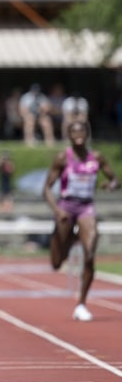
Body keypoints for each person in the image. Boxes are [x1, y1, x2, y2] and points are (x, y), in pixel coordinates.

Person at [42, 120, 119, 322]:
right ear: (69, 136)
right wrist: (57, 210)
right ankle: (64, 239)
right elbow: (47, 188)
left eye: (82, 131)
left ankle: (81, 304)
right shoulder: (62, 158)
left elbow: (114, 179)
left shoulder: (97, 157)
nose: (78, 135)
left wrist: (111, 185)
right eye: (74, 132)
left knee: (90, 253)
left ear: (87, 133)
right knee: (57, 262)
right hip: (66, 207)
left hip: (86, 207)